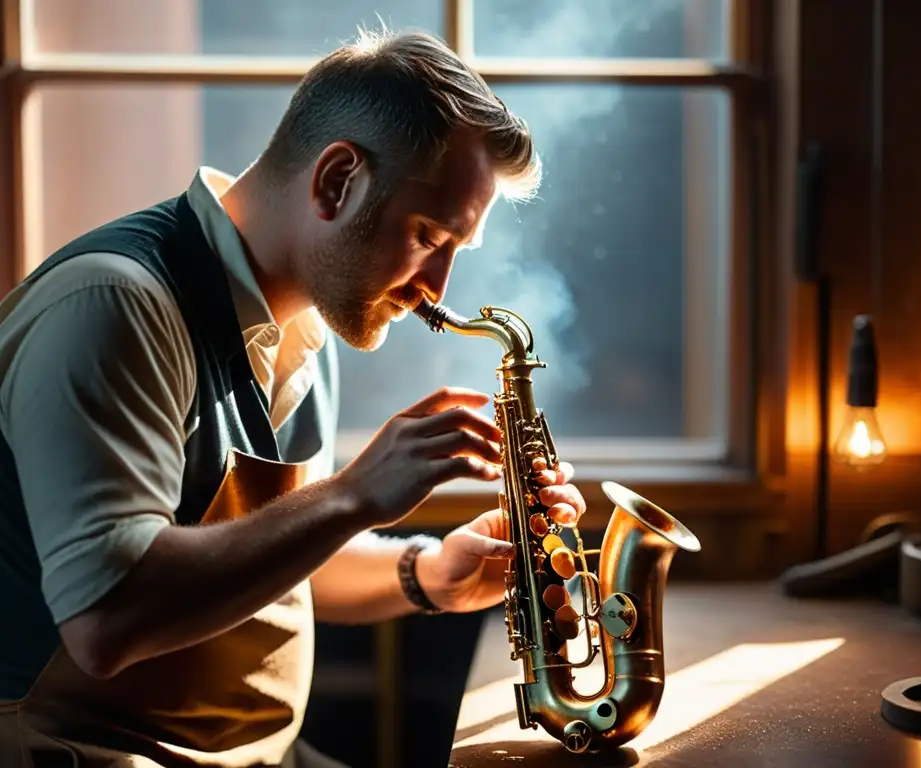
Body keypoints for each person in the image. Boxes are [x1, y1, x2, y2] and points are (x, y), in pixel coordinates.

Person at [0, 26, 586, 768]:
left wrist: (428, 572)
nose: (437, 292)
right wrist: (355, 494)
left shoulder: (306, 318)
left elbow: (272, 556)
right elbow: (107, 618)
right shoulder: (114, 307)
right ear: (337, 180)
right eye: (428, 234)